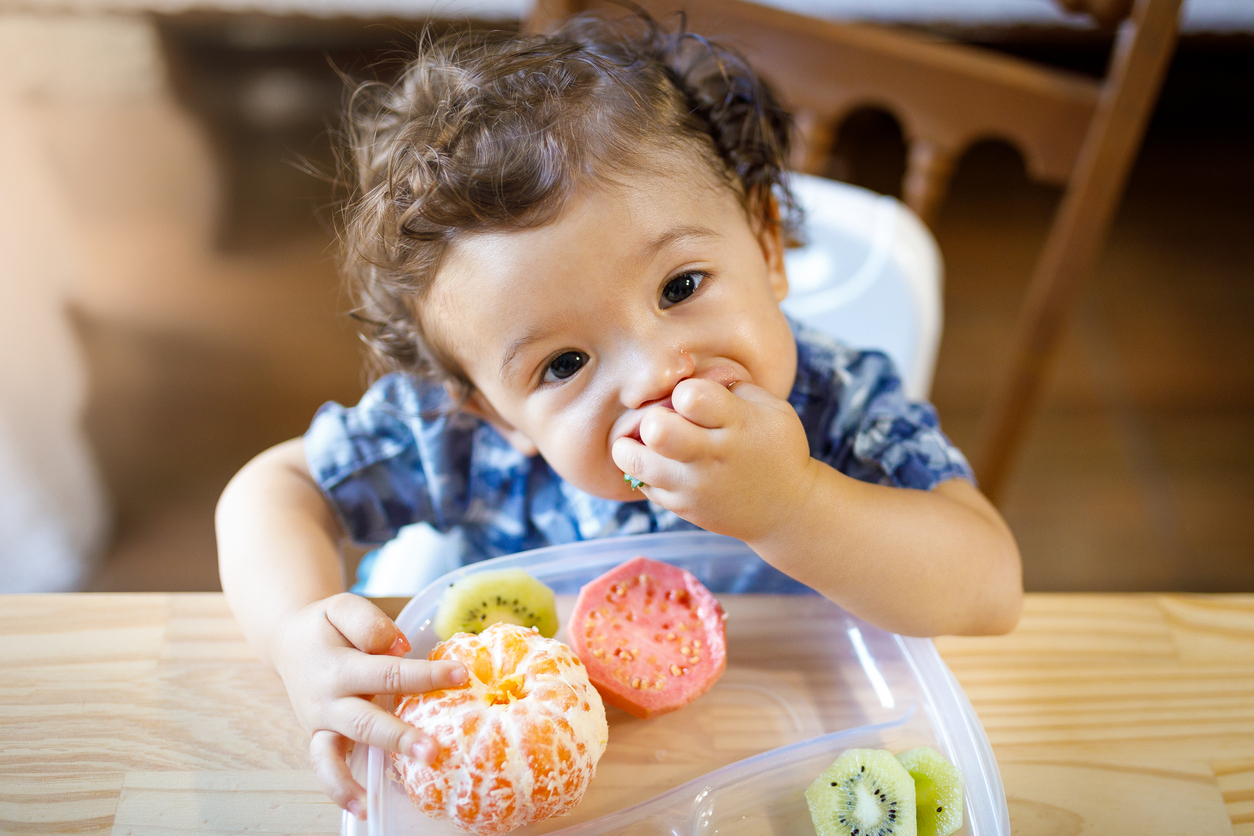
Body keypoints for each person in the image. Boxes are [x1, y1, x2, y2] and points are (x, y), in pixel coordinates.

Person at [215, 12, 1022, 818]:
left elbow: (989, 585)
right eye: (563, 364)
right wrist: (294, 634)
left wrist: (795, 502)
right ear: (490, 410)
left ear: (767, 245)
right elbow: (277, 488)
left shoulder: (840, 405)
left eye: (681, 287)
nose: (654, 375)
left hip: (782, 746)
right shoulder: (471, 443)